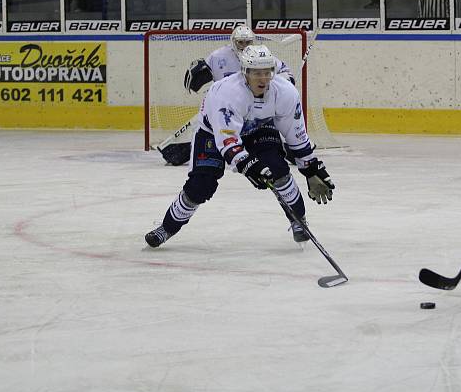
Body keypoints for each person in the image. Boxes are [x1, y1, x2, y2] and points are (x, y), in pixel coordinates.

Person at [144, 44, 336, 248]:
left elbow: (296, 136)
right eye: (256, 73)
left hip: (258, 129)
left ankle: (299, 222)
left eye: (267, 72)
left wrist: (310, 168)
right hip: (212, 132)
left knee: (279, 171)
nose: (263, 78)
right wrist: (249, 166)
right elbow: (228, 142)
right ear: (245, 72)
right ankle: (166, 228)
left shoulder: (286, 93)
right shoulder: (226, 93)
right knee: (200, 186)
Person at [158, 24, 298, 166]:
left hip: (255, 107)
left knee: (272, 129)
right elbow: (199, 75)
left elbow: (286, 73)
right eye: (240, 42)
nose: (244, 46)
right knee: (202, 129)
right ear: (233, 41)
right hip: (225, 107)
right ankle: (174, 150)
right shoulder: (218, 56)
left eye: (248, 42)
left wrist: (284, 82)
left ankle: (297, 151)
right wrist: (197, 75)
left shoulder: (261, 57)